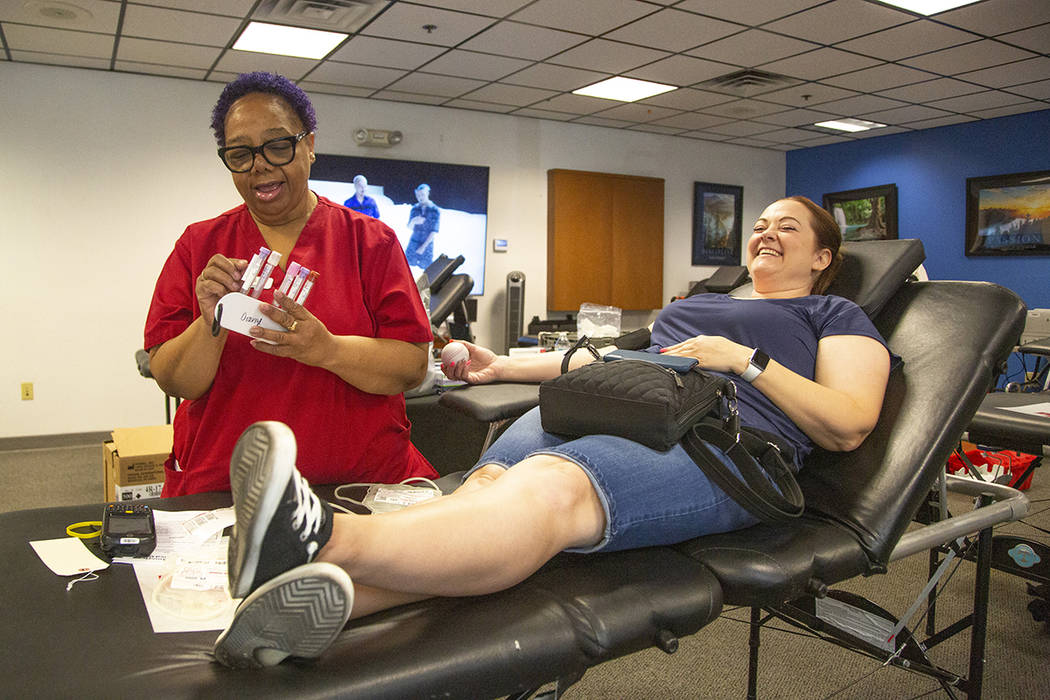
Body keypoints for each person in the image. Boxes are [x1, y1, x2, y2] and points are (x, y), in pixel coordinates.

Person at [211, 196, 892, 668]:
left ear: (824, 257)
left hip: (722, 447)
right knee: (481, 493)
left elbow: (849, 425)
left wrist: (741, 359)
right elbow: (608, 356)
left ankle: (320, 538)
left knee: (551, 489)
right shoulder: (705, 301)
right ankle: (314, 608)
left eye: (789, 228)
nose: (766, 233)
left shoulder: (830, 314)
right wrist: (497, 364)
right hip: (624, 403)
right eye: (761, 225)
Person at [143, 72, 437, 497]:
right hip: (228, 489)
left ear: (310, 145)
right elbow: (175, 381)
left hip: (360, 484)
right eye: (240, 153)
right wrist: (213, 322)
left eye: (278, 145)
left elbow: (411, 366)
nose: (260, 164)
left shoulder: (370, 242)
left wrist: (327, 350)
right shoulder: (199, 247)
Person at [405, 183, 440, 268]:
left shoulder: (434, 210)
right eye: (418, 195)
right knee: (407, 267)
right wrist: (413, 221)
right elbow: (410, 227)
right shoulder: (415, 208)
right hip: (413, 242)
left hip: (427, 245)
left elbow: (433, 231)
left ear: (428, 193)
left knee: (425, 271)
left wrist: (423, 247)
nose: (420, 197)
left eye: (422, 194)